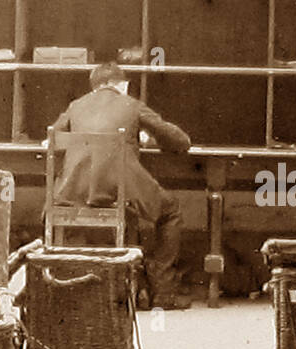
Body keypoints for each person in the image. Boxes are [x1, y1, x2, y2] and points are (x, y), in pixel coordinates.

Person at [50, 63, 193, 308]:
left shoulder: (76, 106)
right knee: (170, 211)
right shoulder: (132, 105)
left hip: (72, 194)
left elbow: (53, 137)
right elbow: (180, 141)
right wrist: (141, 137)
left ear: (94, 86)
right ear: (121, 85)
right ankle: (164, 291)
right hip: (118, 192)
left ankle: (68, 289)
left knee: (134, 208)